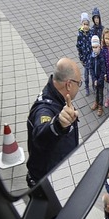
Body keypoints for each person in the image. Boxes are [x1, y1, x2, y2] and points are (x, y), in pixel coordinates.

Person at [26, 57, 81, 187]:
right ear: (69, 84)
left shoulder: (57, 96)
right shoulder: (44, 109)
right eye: (79, 83)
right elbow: (40, 134)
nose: (79, 87)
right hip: (47, 183)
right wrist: (58, 125)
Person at [88, 35, 106, 117]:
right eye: (93, 47)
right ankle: (96, 101)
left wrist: (98, 80)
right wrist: (94, 79)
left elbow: (103, 70)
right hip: (95, 79)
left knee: (100, 92)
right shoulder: (92, 56)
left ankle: (100, 106)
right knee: (96, 92)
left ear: (99, 46)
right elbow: (91, 68)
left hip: (100, 80)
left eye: (96, 47)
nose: (94, 49)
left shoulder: (101, 57)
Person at [76, 12, 92, 96]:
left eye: (87, 24)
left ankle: (94, 85)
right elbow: (78, 47)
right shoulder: (80, 34)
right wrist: (81, 58)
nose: (86, 26)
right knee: (86, 74)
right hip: (85, 58)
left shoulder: (91, 32)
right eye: (84, 24)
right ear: (81, 24)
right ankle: (86, 87)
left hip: (91, 57)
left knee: (93, 73)